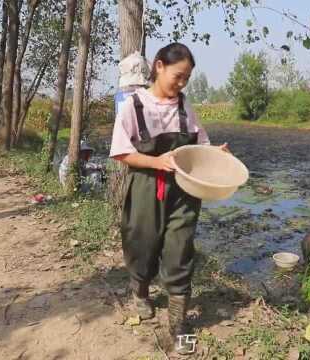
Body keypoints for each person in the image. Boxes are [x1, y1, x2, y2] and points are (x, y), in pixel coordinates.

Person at [109, 42, 228, 355]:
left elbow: (200, 145)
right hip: (147, 186)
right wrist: (156, 162)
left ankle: (179, 328)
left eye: (187, 78)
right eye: (178, 75)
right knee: (142, 244)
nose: (182, 83)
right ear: (159, 66)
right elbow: (121, 151)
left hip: (184, 190)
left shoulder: (185, 107)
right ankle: (140, 291)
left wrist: (216, 153)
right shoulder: (134, 105)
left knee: (180, 250)